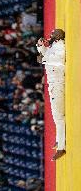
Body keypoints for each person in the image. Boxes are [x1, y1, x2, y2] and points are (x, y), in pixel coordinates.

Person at [36, 29, 66, 160]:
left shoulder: (60, 46)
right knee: (56, 116)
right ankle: (60, 140)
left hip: (57, 83)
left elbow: (59, 62)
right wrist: (40, 46)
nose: (50, 36)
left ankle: (61, 147)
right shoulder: (54, 45)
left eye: (53, 34)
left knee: (58, 117)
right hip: (53, 83)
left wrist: (44, 59)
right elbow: (44, 54)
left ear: (58, 37)